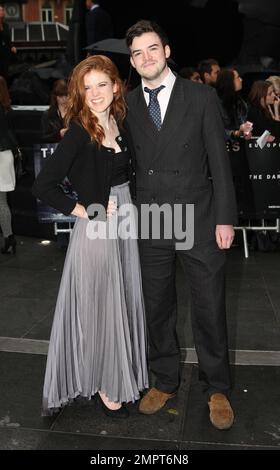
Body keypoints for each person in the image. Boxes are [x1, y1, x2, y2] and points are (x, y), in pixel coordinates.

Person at [125, 20, 237, 430]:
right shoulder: (130, 104)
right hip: (152, 219)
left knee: (208, 306)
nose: (146, 58)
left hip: (199, 216)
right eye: (137, 53)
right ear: (133, 61)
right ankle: (166, 378)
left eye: (152, 48)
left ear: (167, 51)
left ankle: (218, 386)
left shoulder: (201, 96)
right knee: (157, 307)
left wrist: (225, 218)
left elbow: (220, 165)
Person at [33, 55, 148, 418]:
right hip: (98, 227)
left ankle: (115, 375)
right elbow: (43, 185)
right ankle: (102, 384)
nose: (95, 93)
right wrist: (86, 209)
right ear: (79, 94)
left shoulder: (118, 121)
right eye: (87, 87)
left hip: (126, 220)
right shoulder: (81, 130)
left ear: (116, 86)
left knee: (122, 299)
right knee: (100, 306)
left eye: (102, 84)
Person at [0, 75, 17, 254]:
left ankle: (9, 237)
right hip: (6, 155)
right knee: (2, 201)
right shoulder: (6, 108)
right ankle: (9, 237)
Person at [0, 5, 16, 79]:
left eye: (3, 10)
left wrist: (12, 46)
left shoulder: (6, 25)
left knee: (5, 75)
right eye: (0, 10)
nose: (2, 12)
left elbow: (8, 39)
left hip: (6, 53)